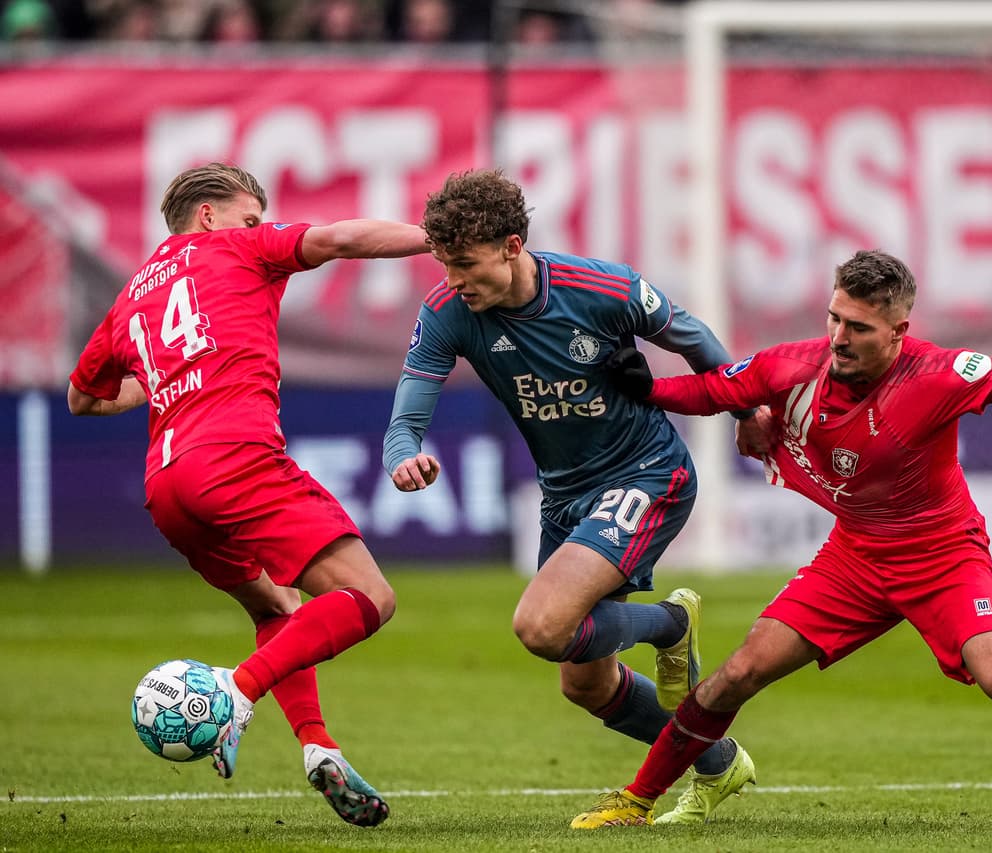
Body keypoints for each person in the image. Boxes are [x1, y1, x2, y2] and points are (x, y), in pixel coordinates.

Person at [570, 249, 992, 830]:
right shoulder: (794, 363)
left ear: (899, 331)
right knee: (738, 673)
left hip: (945, 556)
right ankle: (636, 800)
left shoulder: (939, 375)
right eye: (834, 319)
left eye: (858, 328)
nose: (838, 339)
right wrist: (647, 387)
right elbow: (716, 390)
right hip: (854, 556)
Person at [383, 168, 764, 824]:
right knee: (583, 680)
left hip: (647, 473)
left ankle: (671, 625)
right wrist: (402, 453)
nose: (453, 281)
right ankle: (717, 759)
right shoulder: (449, 312)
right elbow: (407, 416)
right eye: (445, 265)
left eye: (466, 264)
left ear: (511, 245)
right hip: (565, 496)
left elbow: (695, 339)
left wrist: (746, 410)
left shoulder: (599, 287)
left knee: (541, 625)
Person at [68, 162, 432, 827]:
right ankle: (236, 689)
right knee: (371, 598)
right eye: (249, 213)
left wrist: (159, 385)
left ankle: (317, 746)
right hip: (236, 458)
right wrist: (432, 237)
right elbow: (342, 240)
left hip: (168, 485)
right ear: (208, 214)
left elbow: (83, 396)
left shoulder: (131, 297)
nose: (257, 225)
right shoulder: (240, 246)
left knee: (275, 605)